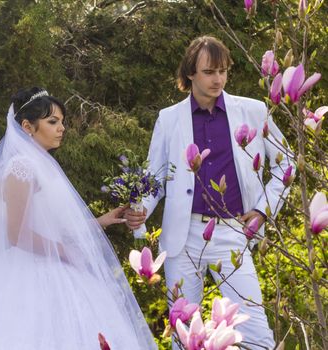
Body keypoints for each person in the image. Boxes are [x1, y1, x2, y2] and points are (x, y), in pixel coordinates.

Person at [0, 87, 157, 350]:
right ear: (27, 126)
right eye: (53, 122)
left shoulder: (42, 164)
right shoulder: (21, 167)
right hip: (27, 272)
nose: (61, 128)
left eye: (62, 121)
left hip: (55, 265)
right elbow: (17, 234)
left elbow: (52, 228)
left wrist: (102, 220)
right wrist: (64, 253)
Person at [124, 36, 294, 349]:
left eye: (223, 71)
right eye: (209, 72)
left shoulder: (253, 111)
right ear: (190, 73)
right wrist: (141, 210)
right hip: (182, 236)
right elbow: (156, 176)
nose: (218, 79)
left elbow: (288, 164)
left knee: (257, 335)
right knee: (184, 334)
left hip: (234, 232)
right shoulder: (170, 118)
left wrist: (262, 210)